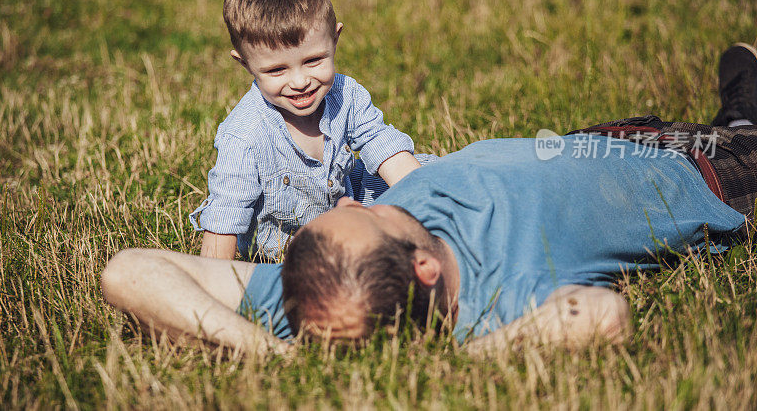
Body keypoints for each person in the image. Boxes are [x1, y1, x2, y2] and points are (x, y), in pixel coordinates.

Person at [102, 43, 757, 355]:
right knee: (741, 134)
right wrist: (466, 353)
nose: (352, 202)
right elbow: (604, 315)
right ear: (424, 268)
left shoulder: (323, 285)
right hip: (697, 173)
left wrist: (271, 353)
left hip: (579, 144)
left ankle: (741, 99)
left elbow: (127, 269)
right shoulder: (498, 299)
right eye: (362, 216)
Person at [190, 0, 435, 261]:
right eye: (277, 70)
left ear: (335, 39)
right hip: (287, 247)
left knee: (427, 172)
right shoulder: (245, 136)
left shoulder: (347, 95)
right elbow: (225, 219)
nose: (300, 81)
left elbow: (385, 150)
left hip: (347, 204)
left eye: (313, 61)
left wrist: (429, 203)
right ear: (245, 63)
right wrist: (213, 283)